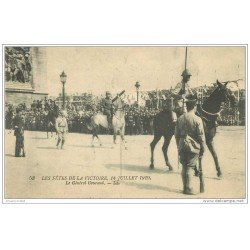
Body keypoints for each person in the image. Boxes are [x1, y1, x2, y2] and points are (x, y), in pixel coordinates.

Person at [175, 94, 206, 195]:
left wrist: (178, 146)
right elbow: (201, 136)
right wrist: (203, 148)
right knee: (190, 166)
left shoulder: (180, 118)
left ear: (187, 107)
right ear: (195, 107)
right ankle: (188, 189)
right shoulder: (197, 119)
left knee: (184, 166)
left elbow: (176, 135)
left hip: (181, 144)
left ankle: (185, 187)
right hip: (193, 146)